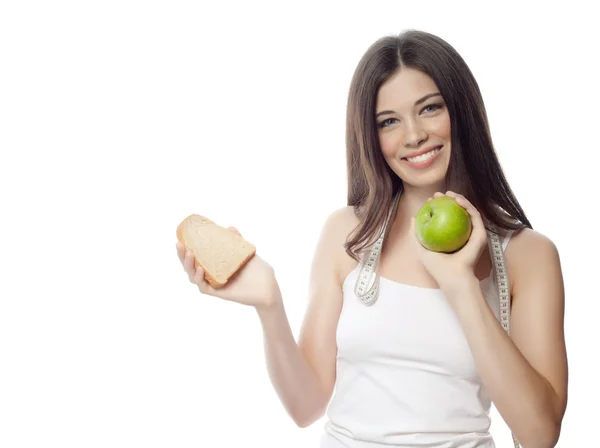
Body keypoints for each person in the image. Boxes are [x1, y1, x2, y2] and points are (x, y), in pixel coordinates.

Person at [175, 29, 568, 448]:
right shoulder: (348, 234)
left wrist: (461, 285)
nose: (414, 135)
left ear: (463, 111)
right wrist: (269, 305)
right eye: (389, 122)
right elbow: (306, 406)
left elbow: (539, 435)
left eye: (430, 108)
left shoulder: (527, 255)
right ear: (371, 136)